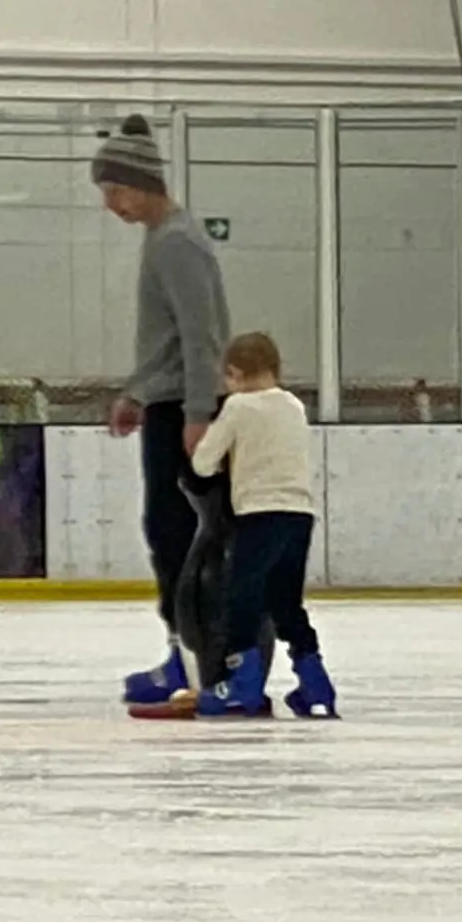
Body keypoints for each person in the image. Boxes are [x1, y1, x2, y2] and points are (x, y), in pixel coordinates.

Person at [92, 115, 231, 711]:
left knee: (180, 535)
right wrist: (138, 393)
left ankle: (203, 658)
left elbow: (203, 338)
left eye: (116, 191)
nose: (112, 205)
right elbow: (166, 340)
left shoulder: (177, 241)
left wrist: (199, 413)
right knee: (165, 532)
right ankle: (184, 650)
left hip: (187, 411)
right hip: (169, 403)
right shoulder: (162, 237)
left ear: (144, 183)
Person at [187, 332, 332, 721]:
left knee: (242, 599)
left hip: (258, 514)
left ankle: (242, 686)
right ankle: (316, 685)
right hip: (299, 515)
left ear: (234, 373)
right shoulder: (294, 406)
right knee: (286, 603)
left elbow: (202, 462)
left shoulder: (237, 407)